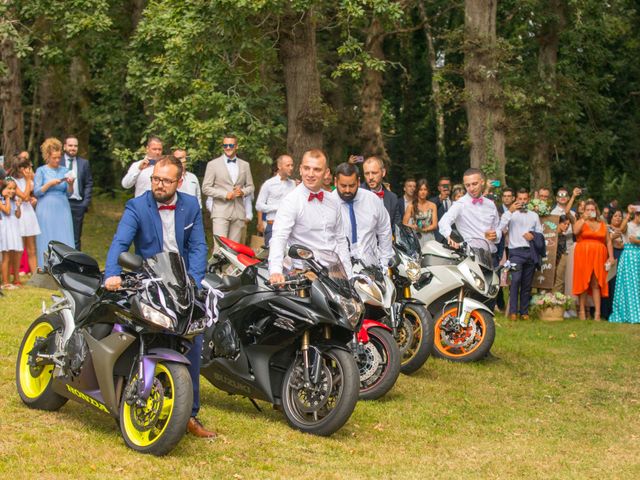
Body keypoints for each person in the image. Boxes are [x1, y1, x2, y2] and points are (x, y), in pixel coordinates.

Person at [104, 155, 214, 438]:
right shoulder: (138, 205)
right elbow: (120, 241)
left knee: (194, 337)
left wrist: (195, 281)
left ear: (180, 180)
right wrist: (113, 274)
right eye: (155, 178)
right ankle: (126, 394)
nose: (159, 185)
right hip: (149, 277)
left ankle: (190, 414)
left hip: (182, 280)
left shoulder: (190, 205)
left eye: (166, 180)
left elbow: (199, 246)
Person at [268, 149, 351, 284]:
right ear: (300, 169)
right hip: (304, 276)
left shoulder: (333, 201)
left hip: (335, 274)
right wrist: (276, 271)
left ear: (326, 173)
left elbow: (340, 240)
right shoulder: (291, 201)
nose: (310, 174)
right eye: (307, 168)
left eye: (317, 170)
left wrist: (349, 275)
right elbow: (279, 237)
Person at [332, 162, 393, 267]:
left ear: (358, 182)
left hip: (372, 269)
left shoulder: (372, 200)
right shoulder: (328, 205)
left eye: (351, 186)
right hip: (340, 272)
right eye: (343, 186)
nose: (347, 190)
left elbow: (385, 230)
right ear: (335, 182)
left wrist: (385, 263)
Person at [498, 189, 543, 320]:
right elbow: (501, 227)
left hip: (530, 251)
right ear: (515, 199)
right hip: (515, 251)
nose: (522, 201)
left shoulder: (534, 215)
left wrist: (533, 236)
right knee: (516, 280)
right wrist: (510, 211)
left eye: (525, 199)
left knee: (527, 283)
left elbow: (540, 233)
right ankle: (513, 311)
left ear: (528, 200)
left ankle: (524, 312)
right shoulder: (511, 214)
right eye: (520, 199)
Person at [201, 135, 254, 243]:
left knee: (234, 250)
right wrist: (225, 194)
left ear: (236, 146)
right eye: (225, 145)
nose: (228, 148)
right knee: (219, 249)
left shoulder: (245, 165)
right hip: (221, 211)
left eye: (231, 145)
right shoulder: (213, 164)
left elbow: (251, 186)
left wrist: (243, 192)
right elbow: (205, 188)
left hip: (239, 212)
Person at [34, 138, 75, 269]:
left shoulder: (64, 170)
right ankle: (46, 265)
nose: (57, 160)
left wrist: (70, 185)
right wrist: (49, 184)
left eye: (59, 157)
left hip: (62, 206)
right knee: (47, 234)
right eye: (54, 158)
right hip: (46, 206)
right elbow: (37, 192)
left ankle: (65, 264)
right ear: (48, 157)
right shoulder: (41, 170)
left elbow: (68, 193)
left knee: (63, 234)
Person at [439, 168, 502, 252]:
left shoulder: (491, 204)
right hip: (471, 256)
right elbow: (443, 222)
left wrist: (495, 235)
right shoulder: (460, 204)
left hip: (491, 256)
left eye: (474, 184)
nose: (471, 188)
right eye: (467, 185)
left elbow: (497, 229)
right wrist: (450, 236)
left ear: (482, 182)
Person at [572, 200, 614, 320]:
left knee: (596, 283)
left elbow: (609, 241)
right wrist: (583, 219)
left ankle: (597, 314)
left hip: (599, 255)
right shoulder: (581, 222)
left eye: (592, 210)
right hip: (583, 254)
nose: (590, 212)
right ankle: (582, 312)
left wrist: (611, 257)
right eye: (588, 210)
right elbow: (575, 231)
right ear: (584, 211)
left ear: (596, 211)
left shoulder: (602, 224)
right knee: (584, 282)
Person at [255, 154, 296, 247]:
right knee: (272, 257)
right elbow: (259, 205)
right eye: (288, 165)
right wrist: (277, 207)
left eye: (292, 165)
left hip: (289, 227)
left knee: (288, 259)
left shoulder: (293, 184)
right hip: (272, 225)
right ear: (279, 166)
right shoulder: (269, 184)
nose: (291, 168)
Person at [609, 204, 640, 324]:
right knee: (629, 286)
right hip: (629, 258)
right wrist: (628, 215)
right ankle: (630, 313)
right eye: (638, 214)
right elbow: (621, 230)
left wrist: (637, 241)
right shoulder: (628, 224)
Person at [61, 136, 93, 250]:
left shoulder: (84, 163)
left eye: (75, 146)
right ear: (64, 147)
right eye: (70, 145)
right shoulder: (58, 162)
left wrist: (85, 203)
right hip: (62, 203)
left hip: (78, 204)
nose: (73, 148)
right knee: (61, 234)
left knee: (76, 237)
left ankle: (76, 263)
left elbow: (89, 183)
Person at [12, 156, 40, 275]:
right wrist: (28, 180)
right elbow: (24, 196)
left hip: (29, 213)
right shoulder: (11, 180)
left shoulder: (29, 178)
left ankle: (34, 275)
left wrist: (29, 179)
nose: (29, 170)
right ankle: (16, 274)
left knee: (32, 248)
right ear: (20, 168)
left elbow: (31, 195)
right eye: (27, 167)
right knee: (19, 248)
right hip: (18, 213)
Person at [361, 156, 402, 227]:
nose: (370, 177)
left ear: (383, 172)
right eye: (367, 173)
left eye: (374, 173)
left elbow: (397, 228)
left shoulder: (392, 198)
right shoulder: (357, 193)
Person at [601, 209, 625, 319]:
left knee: (619, 284)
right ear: (611, 217)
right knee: (610, 282)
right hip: (611, 255)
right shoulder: (606, 227)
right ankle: (607, 311)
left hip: (623, 255)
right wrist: (612, 237)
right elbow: (604, 240)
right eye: (615, 216)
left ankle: (619, 310)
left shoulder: (624, 229)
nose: (618, 218)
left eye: (620, 216)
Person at [0, 177, 23, 289]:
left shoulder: (13, 200)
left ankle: (14, 279)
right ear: (3, 188)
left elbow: (17, 215)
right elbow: (7, 211)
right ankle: (5, 282)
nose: (12, 191)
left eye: (14, 188)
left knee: (14, 253)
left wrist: (18, 206)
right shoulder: (1, 199)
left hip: (14, 227)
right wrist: (6, 197)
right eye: (9, 188)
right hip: (5, 228)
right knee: (6, 255)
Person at [403, 179, 438, 249]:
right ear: (417, 191)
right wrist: (412, 226)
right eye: (420, 190)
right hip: (416, 236)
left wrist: (425, 230)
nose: (423, 192)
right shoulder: (411, 206)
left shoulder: (433, 205)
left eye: (425, 189)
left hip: (429, 237)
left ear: (428, 191)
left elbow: (435, 225)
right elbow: (404, 223)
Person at [552, 215, 571, 294]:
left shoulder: (563, 237)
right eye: (564, 223)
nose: (566, 226)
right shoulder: (551, 234)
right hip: (550, 261)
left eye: (568, 225)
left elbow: (563, 251)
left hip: (560, 261)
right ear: (558, 223)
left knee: (559, 281)